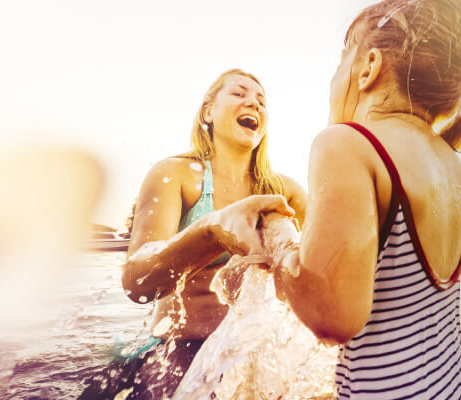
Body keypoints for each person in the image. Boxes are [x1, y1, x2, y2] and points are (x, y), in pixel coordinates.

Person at [213, 0, 461, 398]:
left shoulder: (346, 144)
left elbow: (332, 317)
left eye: (341, 59)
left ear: (368, 68)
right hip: (457, 388)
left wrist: (277, 236)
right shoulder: (452, 164)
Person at [79, 69, 305, 399]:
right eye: (239, 93)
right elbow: (137, 283)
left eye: (261, 100)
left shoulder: (284, 192)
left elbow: (327, 263)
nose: (253, 103)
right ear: (207, 112)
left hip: (252, 352)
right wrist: (213, 231)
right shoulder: (176, 175)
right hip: (178, 346)